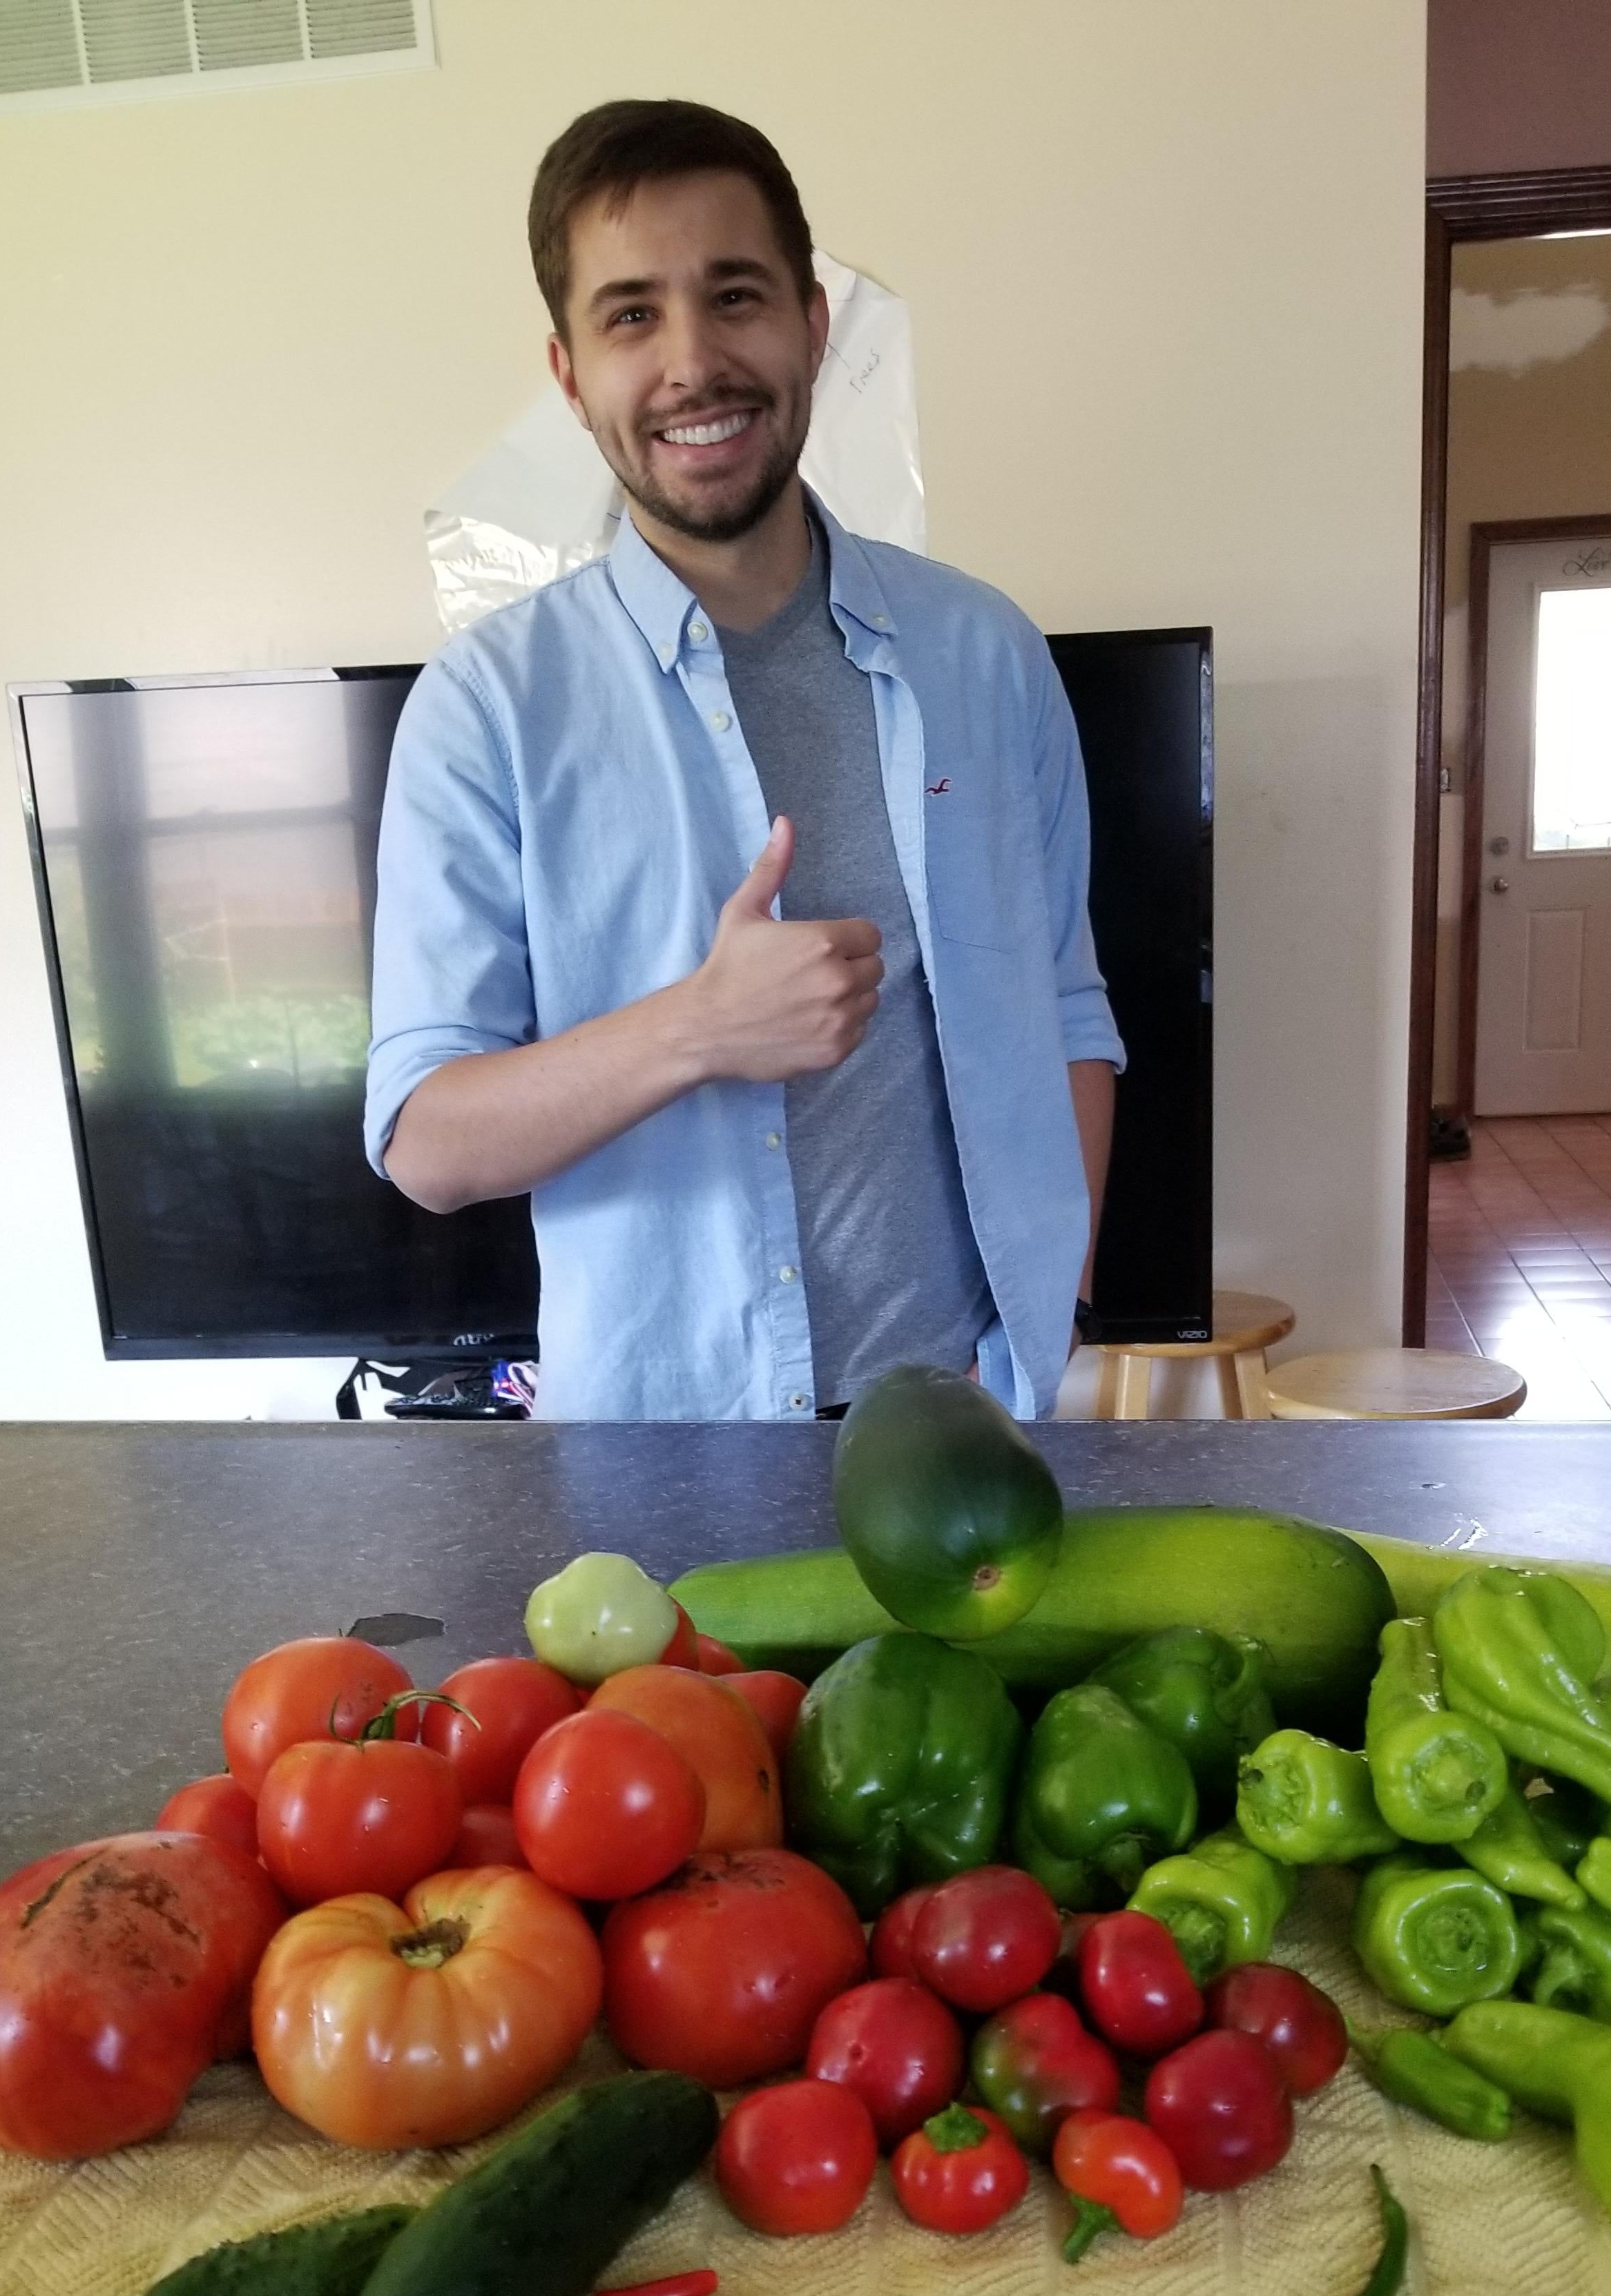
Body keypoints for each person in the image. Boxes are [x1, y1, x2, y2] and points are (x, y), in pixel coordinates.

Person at [365, 97, 1122, 1421]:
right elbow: (426, 1140)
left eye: (735, 295)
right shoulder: (484, 706)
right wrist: (699, 1029)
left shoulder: (989, 656)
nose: (694, 360)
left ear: (812, 327)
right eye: (631, 314)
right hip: (659, 1455)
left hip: (964, 1428)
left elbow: (1064, 1015)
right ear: (569, 374)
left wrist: (1042, 1326)